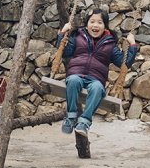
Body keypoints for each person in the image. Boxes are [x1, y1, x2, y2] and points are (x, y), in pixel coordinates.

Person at [56, 8, 139, 137]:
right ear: (86, 23)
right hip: (76, 73)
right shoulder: (78, 36)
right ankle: (71, 117)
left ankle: (84, 122)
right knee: (73, 81)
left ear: (105, 25)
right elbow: (64, 51)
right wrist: (63, 33)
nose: (95, 25)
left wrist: (132, 45)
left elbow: (124, 64)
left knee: (97, 88)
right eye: (92, 21)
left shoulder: (110, 44)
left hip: (96, 78)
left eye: (99, 22)